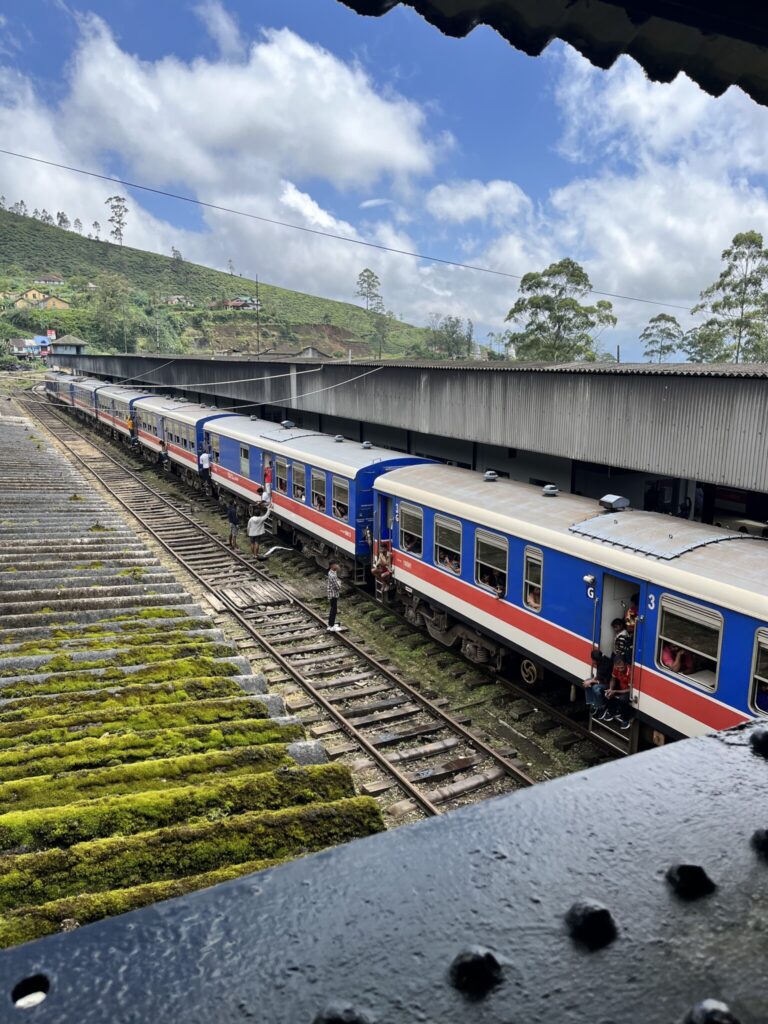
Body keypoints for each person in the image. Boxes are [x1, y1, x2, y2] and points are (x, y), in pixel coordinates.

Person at [600, 657, 632, 729]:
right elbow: (613, 678)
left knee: (622, 699)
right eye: (618, 668)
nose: (620, 670)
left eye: (622, 668)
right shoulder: (616, 668)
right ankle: (612, 711)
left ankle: (625, 719)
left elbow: (630, 689)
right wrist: (611, 689)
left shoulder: (630, 672)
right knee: (607, 691)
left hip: (627, 690)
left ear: (626, 664)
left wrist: (615, 691)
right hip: (621, 686)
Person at [583, 648, 612, 716]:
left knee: (596, 688)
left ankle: (601, 707)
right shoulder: (602, 661)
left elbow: (600, 679)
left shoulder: (605, 665)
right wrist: (590, 681)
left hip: (608, 684)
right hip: (603, 681)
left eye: (593, 660)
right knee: (587, 681)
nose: (592, 661)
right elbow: (598, 677)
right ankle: (593, 703)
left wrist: (591, 681)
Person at [326, 561, 342, 631]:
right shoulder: (332, 575)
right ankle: (331, 626)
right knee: (333, 610)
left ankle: (330, 624)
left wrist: (338, 582)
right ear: (332, 566)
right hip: (333, 594)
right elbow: (337, 586)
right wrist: (339, 583)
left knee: (333, 609)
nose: (337, 566)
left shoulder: (333, 572)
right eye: (336, 564)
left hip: (333, 593)